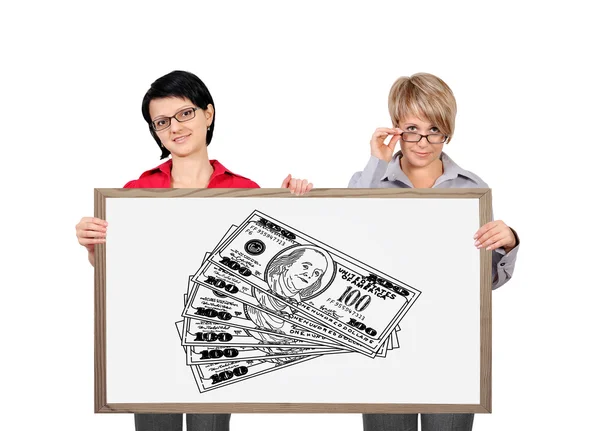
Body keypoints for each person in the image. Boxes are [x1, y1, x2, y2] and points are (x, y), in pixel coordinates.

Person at [75, 70, 313, 431]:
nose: (175, 127)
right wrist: (94, 246)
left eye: (185, 113)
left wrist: (288, 204)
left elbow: (267, 272)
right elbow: (121, 272)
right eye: (162, 121)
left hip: (218, 336)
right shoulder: (136, 192)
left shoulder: (244, 190)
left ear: (208, 114)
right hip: (151, 339)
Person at [348, 72, 520, 431]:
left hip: (450, 348)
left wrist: (508, 243)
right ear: (395, 127)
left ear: (448, 132)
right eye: (412, 128)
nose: (423, 142)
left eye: (434, 130)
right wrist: (376, 163)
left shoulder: (472, 189)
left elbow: (483, 282)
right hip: (382, 345)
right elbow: (351, 247)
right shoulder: (368, 179)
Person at [246, 246, 329, 346]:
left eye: (316, 273)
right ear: (288, 264)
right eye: (305, 266)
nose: (309, 275)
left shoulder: (298, 309)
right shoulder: (259, 289)